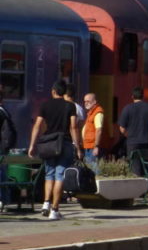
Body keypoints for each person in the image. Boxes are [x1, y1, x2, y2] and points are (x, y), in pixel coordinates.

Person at [28, 80, 82, 220]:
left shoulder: (45, 105)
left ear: (53, 91)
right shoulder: (70, 106)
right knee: (60, 175)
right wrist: (78, 147)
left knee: (49, 174)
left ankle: (46, 203)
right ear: (64, 92)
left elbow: (37, 125)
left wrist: (32, 145)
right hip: (64, 143)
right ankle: (55, 210)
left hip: (49, 144)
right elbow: (73, 127)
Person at [118, 87, 148, 177]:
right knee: (145, 165)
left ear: (132, 96)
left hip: (132, 142)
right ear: (143, 96)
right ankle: (146, 183)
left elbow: (122, 128)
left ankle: (137, 183)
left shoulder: (127, 108)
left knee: (134, 166)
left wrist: (128, 135)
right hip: (146, 141)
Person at [0, 90, 16, 211]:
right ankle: (4, 200)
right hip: (3, 148)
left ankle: (2, 199)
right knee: (3, 173)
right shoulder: (4, 112)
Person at [81, 93, 105, 172]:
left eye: (88, 101)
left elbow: (99, 130)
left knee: (94, 170)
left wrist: (96, 146)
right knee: (90, 169)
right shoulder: (91, 113)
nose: (86, 103)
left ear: (94, 101)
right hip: (88, 145)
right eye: (85, 101)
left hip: (93, 147)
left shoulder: (97, 113)